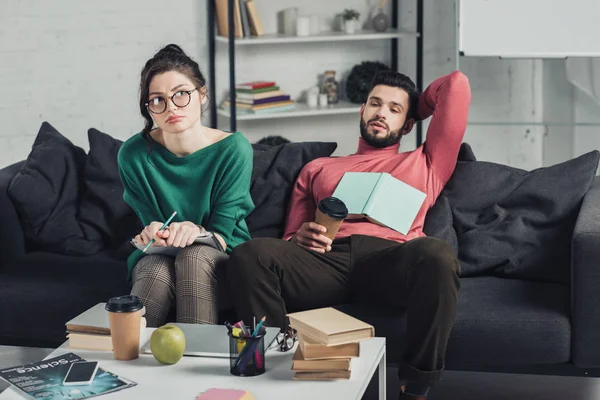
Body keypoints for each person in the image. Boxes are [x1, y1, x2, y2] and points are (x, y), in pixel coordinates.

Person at [226, 70, 471, 399]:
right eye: (375, 103)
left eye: (394, 109)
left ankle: (415, 385)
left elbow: (456, 84)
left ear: (409, 124)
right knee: (248, 254)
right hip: (325, 262)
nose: (381, 112)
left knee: (438, 255)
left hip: (390, 261)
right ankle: (279, 364)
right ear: (362, 110)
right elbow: (288, 239)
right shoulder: (319, 167)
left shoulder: (426, 163)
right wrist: (300, 236)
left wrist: (418, 107)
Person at [117, 44, 254, 327]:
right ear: (149, 109)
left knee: (193, 256)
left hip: (221, 255)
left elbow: (223, 232)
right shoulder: (132, 155)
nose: (171, 108)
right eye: (158, 100)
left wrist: (197, 231)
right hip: (162, 259)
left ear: (202, 95)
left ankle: (196, 366)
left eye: (181, 94)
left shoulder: (234, 149)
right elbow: (151, 223)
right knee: (154, 266)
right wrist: (152, 232)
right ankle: (126, 366)